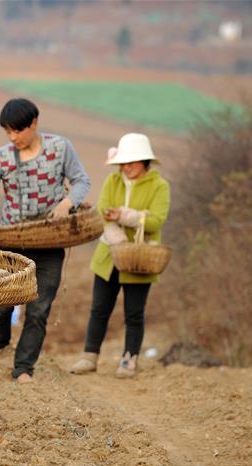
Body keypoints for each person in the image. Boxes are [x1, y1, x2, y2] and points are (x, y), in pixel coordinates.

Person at [0, 98, 91, 382]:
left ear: (34, 123)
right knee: (2, 301)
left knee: (39, 310)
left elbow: (81, 181)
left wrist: (66, 204)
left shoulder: (60, 148)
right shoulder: (1, 157)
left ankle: (24, 368)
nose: (13, 137)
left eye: (18, 131)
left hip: (50, 241)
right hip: (13, 239)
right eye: (8, 132)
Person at [70, 133, 170, 378]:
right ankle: (89, 356)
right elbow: (103, 212)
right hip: (108, 255)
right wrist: (117, 235)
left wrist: (126, 216)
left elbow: (156, 221)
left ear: (145, 161)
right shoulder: (112, 181)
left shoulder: (159, 186)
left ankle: (129, 358)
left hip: (140, 258)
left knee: (134, 312)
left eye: (132, 162)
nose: (126, 167)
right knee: (99, 308)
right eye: (123, 163)